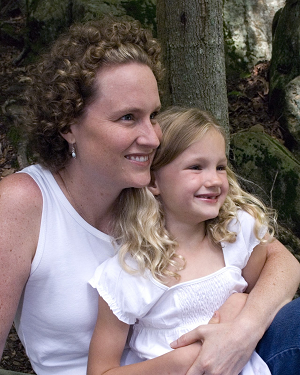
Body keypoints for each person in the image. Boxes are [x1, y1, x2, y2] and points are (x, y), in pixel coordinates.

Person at [0, 17, 299, 375]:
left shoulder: (160, 187)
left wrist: (240, 328)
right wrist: (193, 356)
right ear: (68, 125)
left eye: (153, 115)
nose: (153, 137)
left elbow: (280, 263)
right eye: (128, 117)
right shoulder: (22, 204)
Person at [86, 106, 286, 375]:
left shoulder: (235, 234)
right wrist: (180, 362)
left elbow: (270, 282)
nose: (214, 180)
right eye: (196, 167)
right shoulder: (130, 272)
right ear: (154, 181)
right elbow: (99, 371)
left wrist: (238, 306)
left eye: (220, 167)